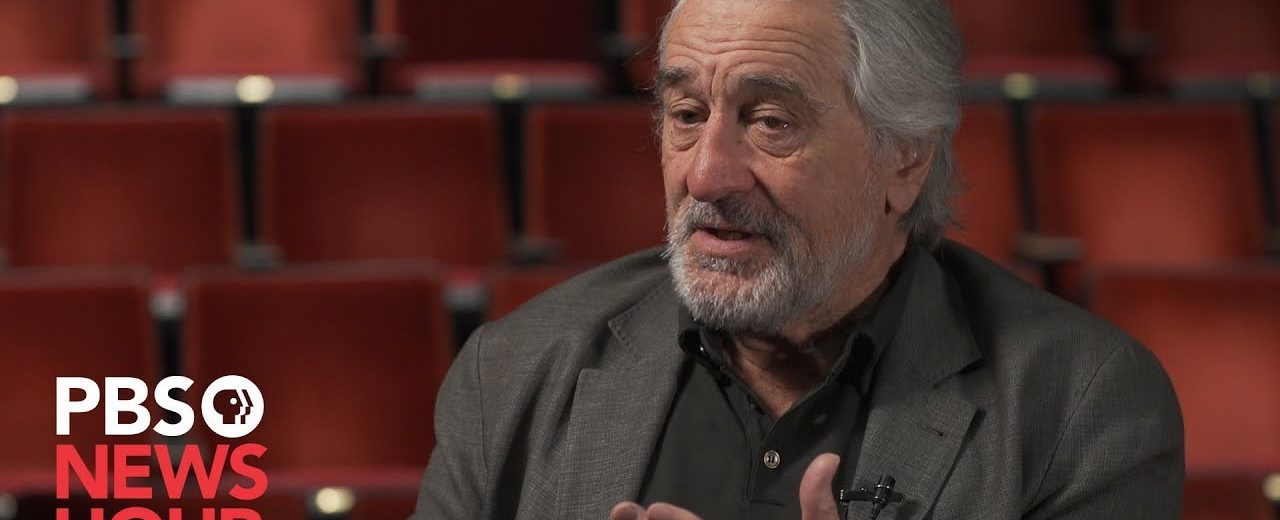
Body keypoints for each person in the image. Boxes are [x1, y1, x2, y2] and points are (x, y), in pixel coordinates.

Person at [411, 0, 1184, 518]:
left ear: (905, 156)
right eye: (687, 114)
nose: (706, 175)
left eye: (770, 121)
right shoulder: (513, 372)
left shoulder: (1079, 406)